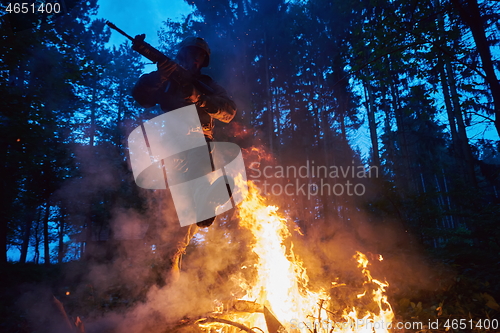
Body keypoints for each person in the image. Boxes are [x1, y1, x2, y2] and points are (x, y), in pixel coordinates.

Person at [131, 37, 237, 284]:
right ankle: (172, 275)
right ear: (182, 54)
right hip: (174, 148)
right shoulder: (165, 78)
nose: (193, 58)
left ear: (203, 61)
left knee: (190, 211)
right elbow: (141, 96)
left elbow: (229, 112)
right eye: (190, 53)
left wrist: (199, 98)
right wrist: (160, 77)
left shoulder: (207, 85)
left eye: (198, 55)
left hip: (202, 144)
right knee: (178, 215)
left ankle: (206, 202)